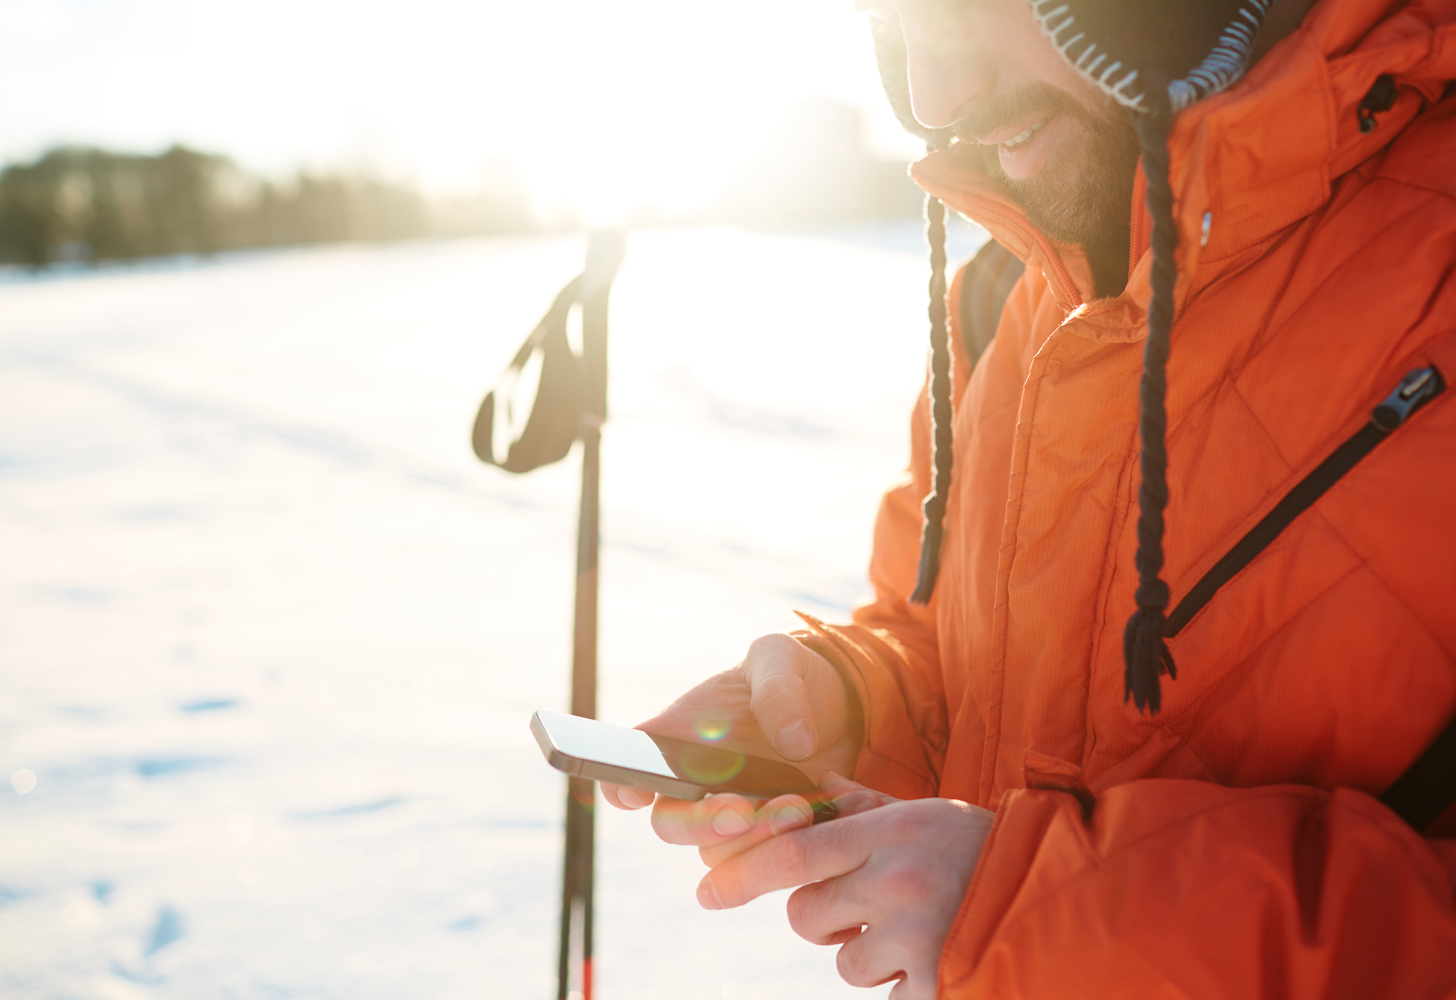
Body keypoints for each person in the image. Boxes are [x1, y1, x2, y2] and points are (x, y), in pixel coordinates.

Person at [606, 0, 1456, 995]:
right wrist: (848, 704)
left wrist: (1058, 916)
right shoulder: (998, 300)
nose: (932, 96)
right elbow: (950, 653)